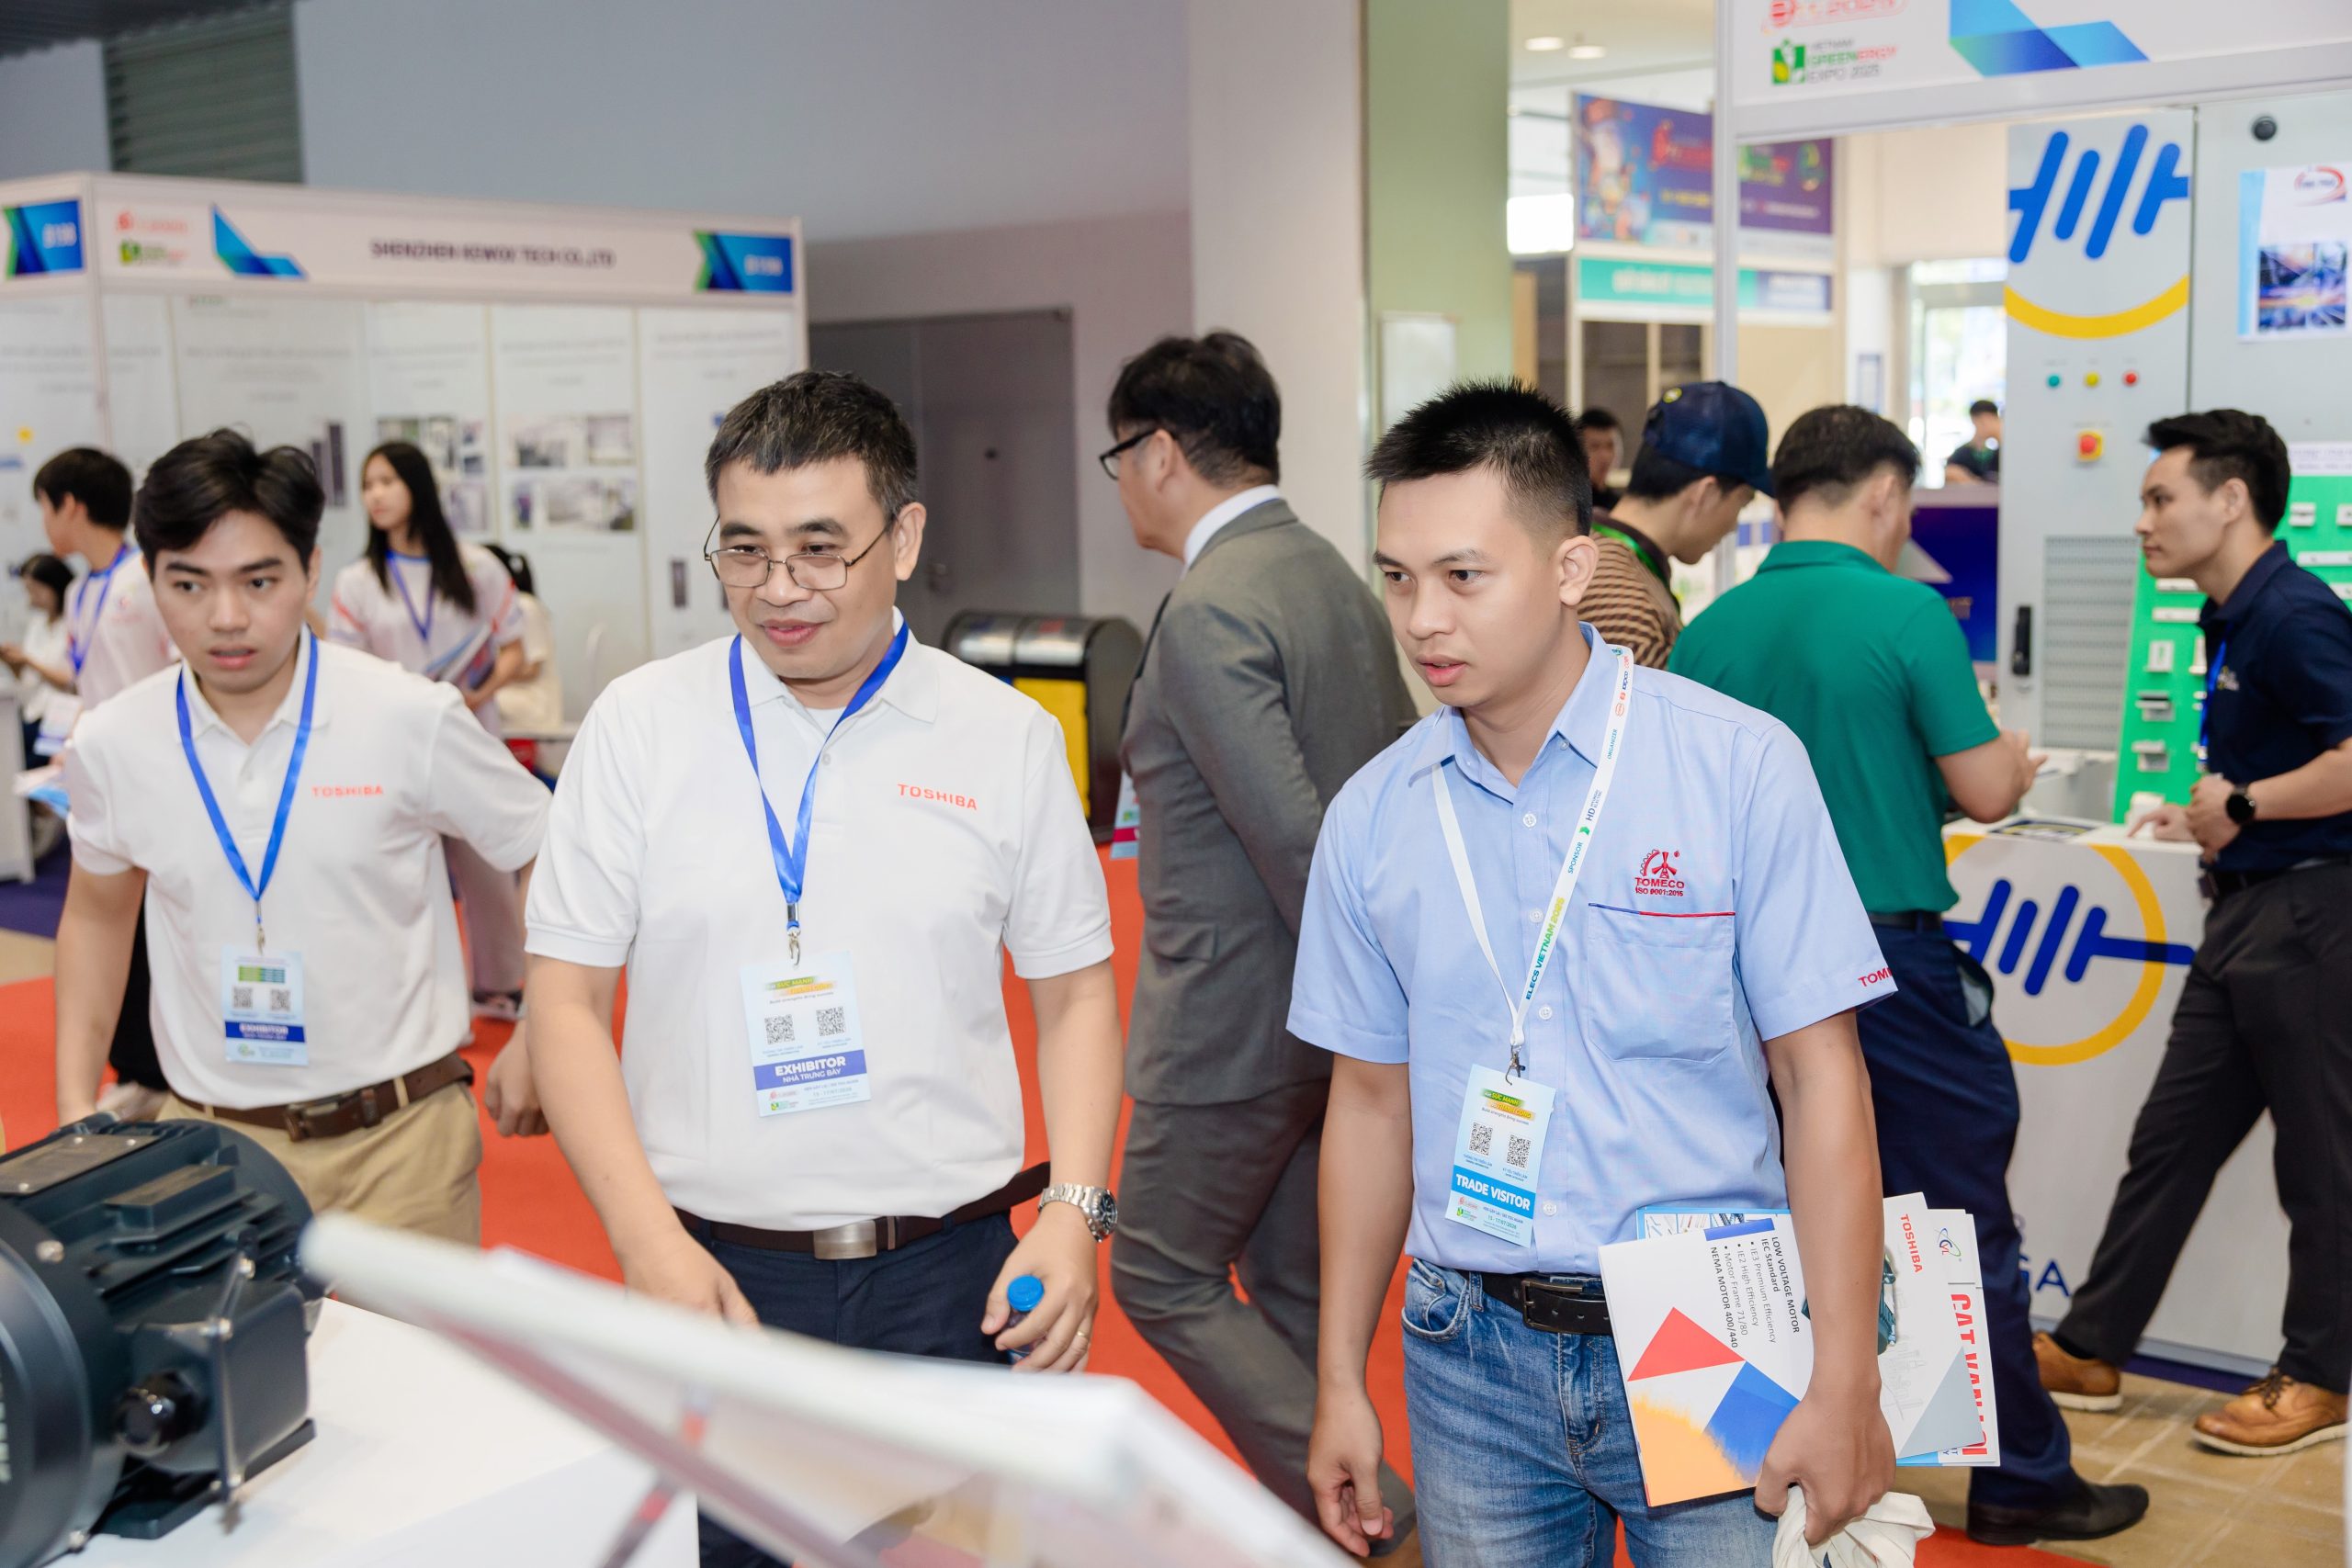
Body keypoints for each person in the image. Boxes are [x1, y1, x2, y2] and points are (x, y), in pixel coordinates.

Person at [523, 371, 1125, 1568]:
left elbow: (1075, 996)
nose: (778, 588)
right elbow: (566, 1002)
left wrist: (1073, 1211)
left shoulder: (1003, 736)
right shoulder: (640, 727)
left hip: (952, 1281)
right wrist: (645, 1241)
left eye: (818, 548)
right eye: (744, 549)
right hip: (715, 1278)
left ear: (903, 537)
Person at [1299, 382, 1898, 1567]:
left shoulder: (1736, 768)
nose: (1424, 620)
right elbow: (1366, 1104)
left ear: (1571, 567)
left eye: (1464, 576)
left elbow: (1820, 1078)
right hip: (1468, 1350)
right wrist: (1336, 1382)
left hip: (1710, 1332)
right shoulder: (1373, 815)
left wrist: (1845, 1378)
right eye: (1398, 578)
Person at [1670, 406, 2148, 1548]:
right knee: (1958, 1216)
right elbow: (1985, 789)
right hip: (1885, 966)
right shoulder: (1905, 612)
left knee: (1767, 1209)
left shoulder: (1711, 629)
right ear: (1884, 494)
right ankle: (2020, 1478)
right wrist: (2008, 761)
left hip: (1736, 968)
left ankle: (1745, 1463)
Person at [53, 429, 548, 1239]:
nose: (227, 617)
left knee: (413, 1332)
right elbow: (97, 915)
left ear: (311, 570)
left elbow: (547, 849)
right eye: (189, 583)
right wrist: (77, 1106)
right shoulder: (114, 741)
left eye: (259, 580)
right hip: (211, 1150)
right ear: (152, 578)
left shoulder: (406, 714)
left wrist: (542, 1026)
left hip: (402, 1142)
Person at [1100, 333, 1417, 1544]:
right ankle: (1334, 1529)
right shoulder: (1328, 572)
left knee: (1157, 1268)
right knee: (1288, 1288)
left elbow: (1294, 837)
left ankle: (1386, 1529)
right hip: (1323, 1026)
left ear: (1160, 453)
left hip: (1233, 1020)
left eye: (1118, 460)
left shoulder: (1210, 605)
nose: (1121, 486)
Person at [2038, 411, 2352, 1459]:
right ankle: (2091, 1344)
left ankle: (2320, 1377)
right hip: (2248, 915)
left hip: (2314, 916)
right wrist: (2208, 814)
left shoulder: (2294, 614)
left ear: (2231, 498)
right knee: (2169, 1143)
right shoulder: (2234, 616)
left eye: (2159, 498)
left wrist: (2248, 804)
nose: (2143, 522)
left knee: (2324, 1163)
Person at [330, 442, 531, 1019]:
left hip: (470, 738)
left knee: (489, 872)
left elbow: (514, 651)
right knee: (403, 880)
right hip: (391, 749)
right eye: (368, 485)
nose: (375, 495)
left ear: (416, 486)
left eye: (387, 481)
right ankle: (415, 998)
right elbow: (347, 669)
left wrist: (480, 694)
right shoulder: (357, 581)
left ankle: (501, 983)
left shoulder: (477, 568)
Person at [37, 446, 178, 1117]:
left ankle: (160, 1069)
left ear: (70, 505)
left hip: (159, 775)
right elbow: (88, 680)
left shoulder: (144, 577)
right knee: (109, 926)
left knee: (155, 926)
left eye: (44, 506)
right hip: (101, 774)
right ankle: (136, 1068)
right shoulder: (79, 591)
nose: (44, 521)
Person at [1582, 382, 1771, 667]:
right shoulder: (1633, 619)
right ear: (1706, 494)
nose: (1733, 526)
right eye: (1741, 503)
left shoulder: (1593, 546)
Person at [5, 552, 76, 763]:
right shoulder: (37, 624)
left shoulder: (74, 623)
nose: (32, 597)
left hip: (61, 717)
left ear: (54, 586)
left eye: (35, 590)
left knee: (48, 772)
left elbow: (70, 680)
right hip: (31, 713)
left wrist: (29, 660)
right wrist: (12, 662)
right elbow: (26, 679)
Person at [1576, 405, 1625, 510]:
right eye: (1595, 446)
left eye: (1610, 446)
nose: (1605, 456)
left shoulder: (1620, 505)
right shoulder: (1568, 503)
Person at [1944, 400, 2002, 486]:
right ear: (1973, 420)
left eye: (1991, 420)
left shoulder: (2000, 454)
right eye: (1982, 421)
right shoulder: (1961, 455)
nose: (1986, 425)